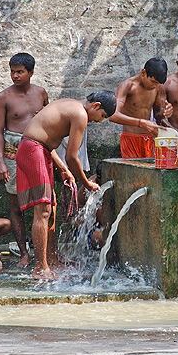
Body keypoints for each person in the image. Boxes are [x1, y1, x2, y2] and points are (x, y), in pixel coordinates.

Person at [17, 90, 116, 279]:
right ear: (95, 106)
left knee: (50, 208)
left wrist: (63, 169)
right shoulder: (80, 114)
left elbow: (46, 140)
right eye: (102, 116)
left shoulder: (70, 103)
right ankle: (40, 268)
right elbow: (72, 156)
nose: (100, 121)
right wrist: (87, 184)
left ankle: (52, 259)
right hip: (33, 150)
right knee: (43, 210)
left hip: (40, 149)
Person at [0, 52, 48, 267]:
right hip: (13, 152)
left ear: (31, 73)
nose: (15, 76)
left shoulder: (41, 93)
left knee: (42, 203)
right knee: (16, 205)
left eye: (20, 72)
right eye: (12, 72)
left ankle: (44, 253)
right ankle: (24, 252)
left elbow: (47, 122)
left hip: (37, 150)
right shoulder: (3, 97)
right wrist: (1, 162)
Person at [109, 57, 172, 159]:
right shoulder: (128, 86)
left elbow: (158, 116)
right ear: (143, 73)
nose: (154, 86)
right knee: (132, 172)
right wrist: (141, 122)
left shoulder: (158, 87)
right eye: (153, 81)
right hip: (130, 138)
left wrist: (166, 111)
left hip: (149, 139)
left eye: (158, 83)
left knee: (149, 173)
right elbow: (112, 115)